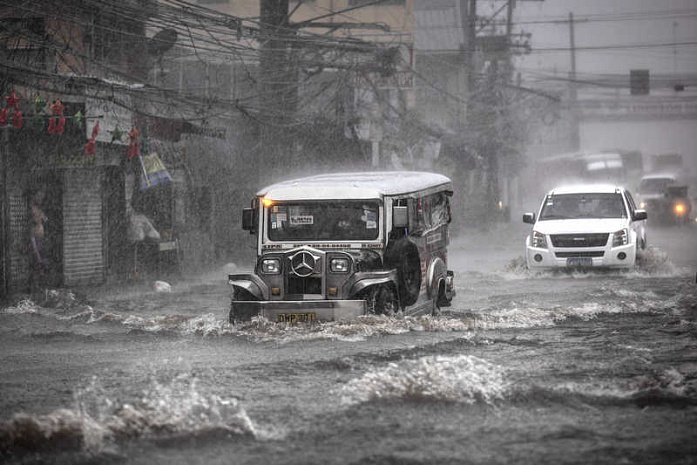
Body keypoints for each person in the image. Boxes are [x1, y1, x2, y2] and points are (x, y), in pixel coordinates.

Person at [29, 190, 48, 287]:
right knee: (37, 265)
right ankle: (36, 285)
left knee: (42, 265)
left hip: (41, 243)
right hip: (37, 245)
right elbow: (33, 243)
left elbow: (45, 219)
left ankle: (40, 284)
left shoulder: (40, 225)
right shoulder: (34, 228)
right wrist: (38, 256)